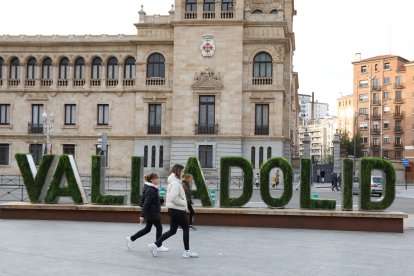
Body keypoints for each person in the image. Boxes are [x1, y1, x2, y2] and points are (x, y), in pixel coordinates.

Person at [148, 164, 198, 258]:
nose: (183, 173)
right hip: (177, 209)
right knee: (186, 228)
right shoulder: (175, 183)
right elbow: (174, 198)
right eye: (182, 171)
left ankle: (154, 245)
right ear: (178, 171)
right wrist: (184, 203)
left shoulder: (174, 181)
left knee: (172, 230)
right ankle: (187, 252)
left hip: (173, 210)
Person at [126, 173, 169, 252]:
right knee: (159, 228)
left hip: (151, 212)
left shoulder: (152, 188)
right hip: (152, 212)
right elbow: (146, 203)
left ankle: (131, 238)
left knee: (147, 229)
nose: (158, 180)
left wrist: (162, 199)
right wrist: (142, 215)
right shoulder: (150, 190)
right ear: (152, 180)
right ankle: (158, 245)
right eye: (157, 178)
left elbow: (153, 201)